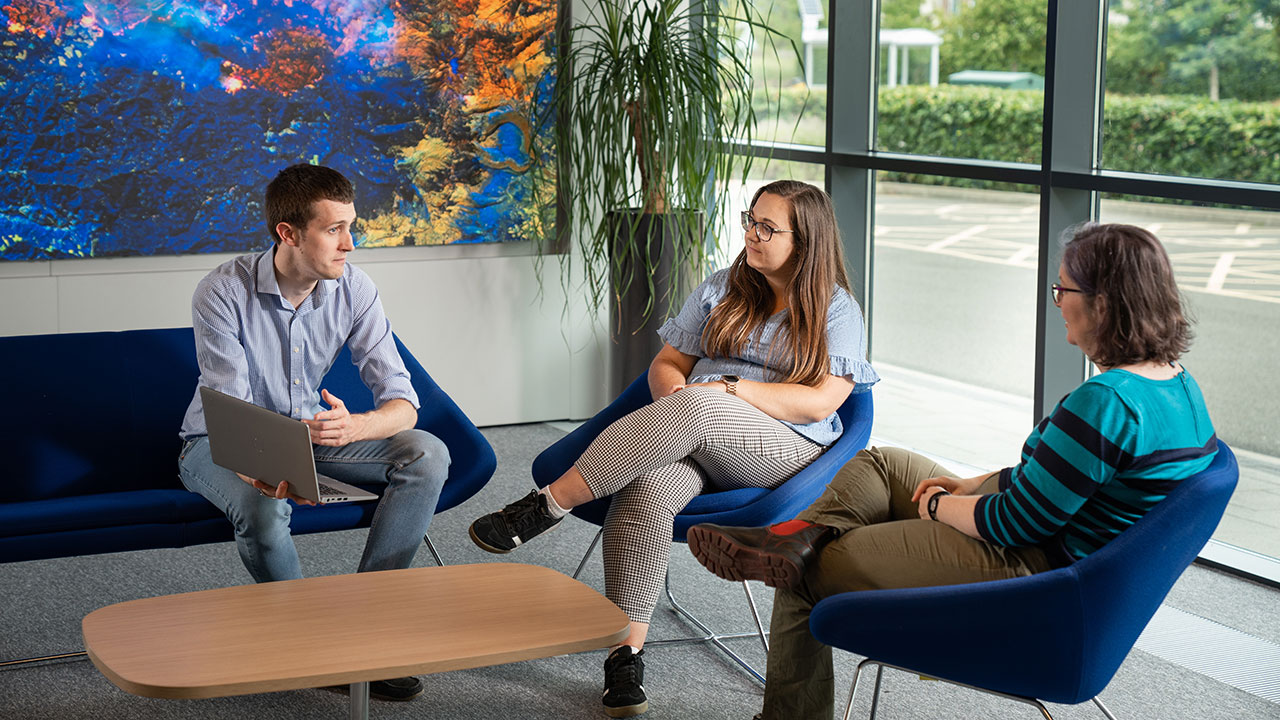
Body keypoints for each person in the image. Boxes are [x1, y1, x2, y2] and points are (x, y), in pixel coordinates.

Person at [686, 222, 1220, 720]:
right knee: (885, 463)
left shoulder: (1105, 402)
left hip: (1030, 570)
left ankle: (797, 577)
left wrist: (943, 505)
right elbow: (1074, 479)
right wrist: (976, 484)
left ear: (1103, 305)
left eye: (1064, 291)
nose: (1056, 303)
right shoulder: (1176, 385)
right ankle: (792, 537)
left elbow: (1015, 525)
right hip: (1055, 539)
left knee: (815, 570)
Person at [468, 180, 879, 717]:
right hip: (696, 433)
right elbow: (666, 365)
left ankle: (550, 503)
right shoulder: (722, 287)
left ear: (804, 242)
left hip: (782, 449)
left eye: (767, 228)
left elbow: (823, 401)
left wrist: (727, 393)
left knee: (705, 405)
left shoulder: (837, 310)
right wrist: (679, 409)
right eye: (749, 220)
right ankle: (626, 654)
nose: (751, 235)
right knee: (648, 486)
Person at [177, 163, 450, 702]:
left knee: (427, 455)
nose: (350, 245)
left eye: (352, 226)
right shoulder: (222, 291)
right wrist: (269, 466)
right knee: (261, 508)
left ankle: (369, 630)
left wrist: (357, 425)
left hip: (310, 437)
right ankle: (313, 644)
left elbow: (404, 402)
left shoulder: (356, 288)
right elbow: (231, 409)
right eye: (334, 230)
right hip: (220, 444)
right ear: (289, 233)